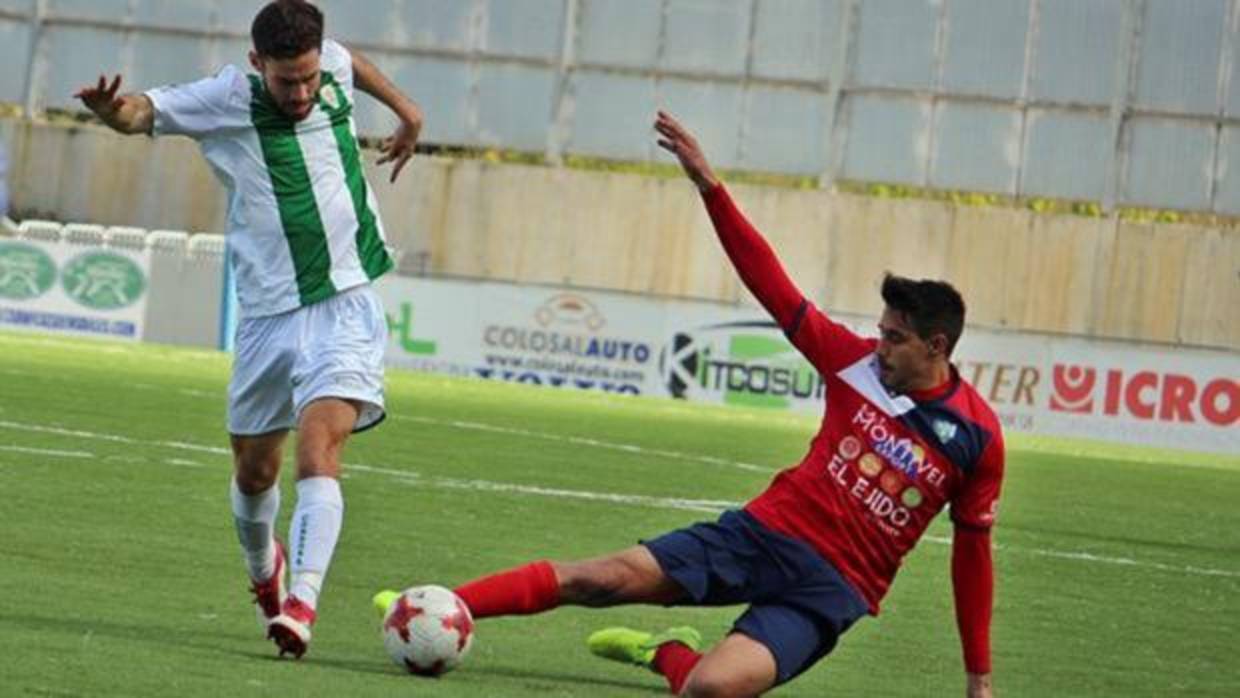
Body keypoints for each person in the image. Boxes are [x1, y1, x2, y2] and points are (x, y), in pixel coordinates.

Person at [377, 111, 1003, 697]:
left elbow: (972, 555)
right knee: (597, 579)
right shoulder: (853, 361)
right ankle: (435, 606)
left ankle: (665, 652)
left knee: (711, 688)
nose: (879, 345)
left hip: (831, 589)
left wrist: (978, 677)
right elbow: (771, 282)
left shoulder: (976, 438)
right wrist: (710, 188)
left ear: (936, 346)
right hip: (761, 534)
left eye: (895, 338)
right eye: (881, 331)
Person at [74, 0, 424, 659]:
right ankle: (267, 575)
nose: (301, 92)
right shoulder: (223, 98)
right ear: (255, 63)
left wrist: (410, 112)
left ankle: (302, 605)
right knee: (254, 473)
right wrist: (110, 111)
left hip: (346, 300)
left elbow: (355, 64)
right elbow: (142, 112)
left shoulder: (333, 66)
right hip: (266, 316)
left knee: (320, 449)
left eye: (310, 78)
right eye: (286, 80)